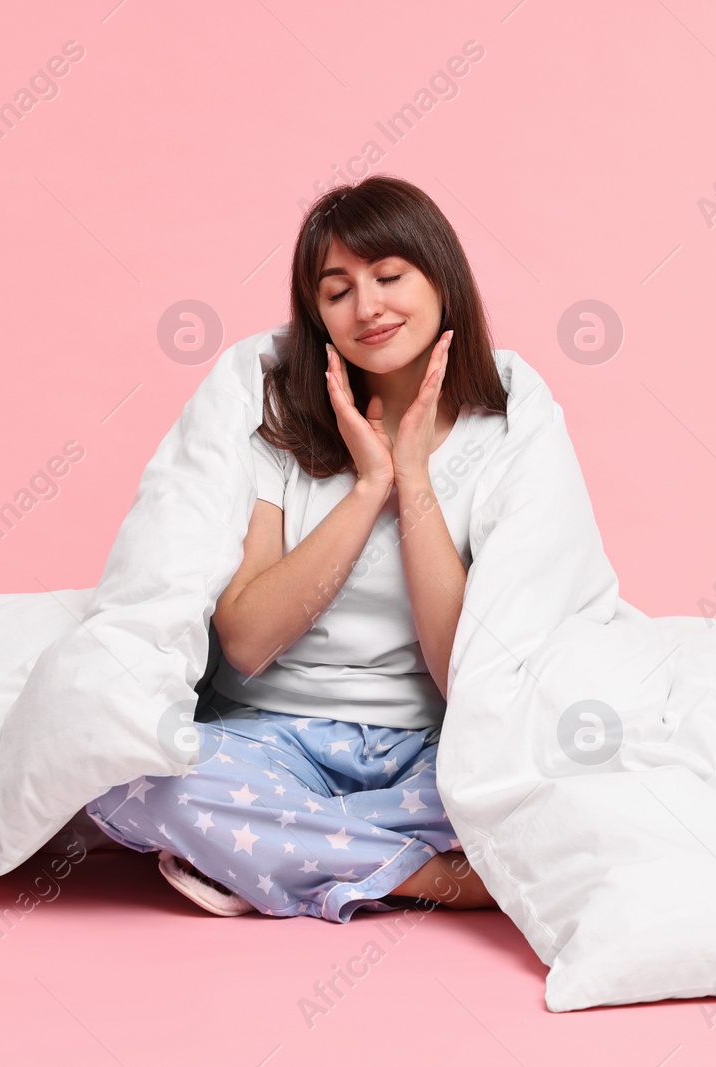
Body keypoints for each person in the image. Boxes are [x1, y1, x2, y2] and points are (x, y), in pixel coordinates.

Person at [86, 176, 510, 921]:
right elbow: (247, 641)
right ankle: (436, 880)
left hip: (424, 748)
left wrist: (413, 478)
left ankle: (267, 859)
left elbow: (458, 666)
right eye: (336, 289)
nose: (367, 307)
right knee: (125, 775)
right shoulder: (273, 416)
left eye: (388, 276)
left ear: (440, 277)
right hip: (268, 741)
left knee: (555, 780)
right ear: (316, 315)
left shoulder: (499, 433)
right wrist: (368, 483)